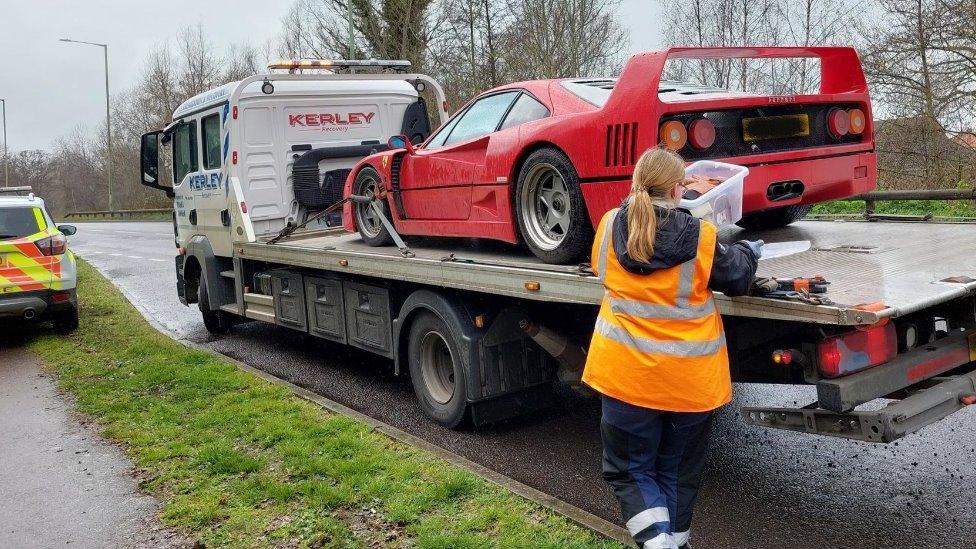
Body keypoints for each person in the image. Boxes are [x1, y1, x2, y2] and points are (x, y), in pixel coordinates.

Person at [582, 147, 761, 549]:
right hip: (689, 383)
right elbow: (737, 277)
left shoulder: (611, 225)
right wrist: (750, 252)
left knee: (630, 471)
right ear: (679, 189)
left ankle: (656, 542)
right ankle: (672, 543)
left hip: (625, 378)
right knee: (678, 473)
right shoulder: (703, 236)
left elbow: (599, 267)